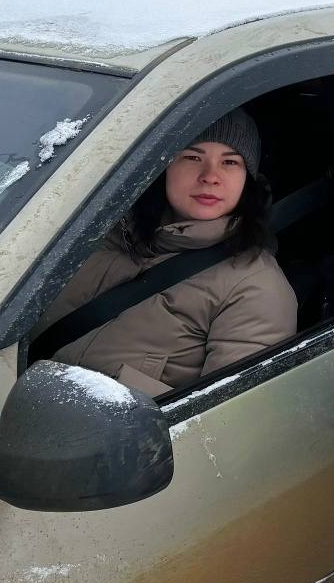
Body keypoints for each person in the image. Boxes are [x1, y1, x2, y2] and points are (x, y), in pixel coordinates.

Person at [40, 109, 296, 397]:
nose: (210, 177)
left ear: (247, 179)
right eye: (193, 157)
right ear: (164, 165)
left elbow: (229, 411)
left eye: (230, 162)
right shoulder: (93, 231)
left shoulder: (256, 286)